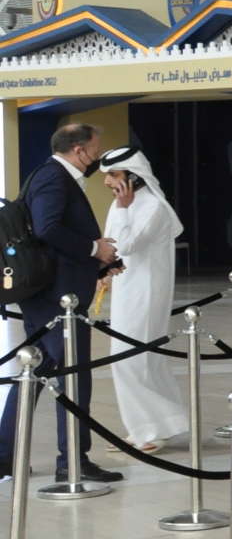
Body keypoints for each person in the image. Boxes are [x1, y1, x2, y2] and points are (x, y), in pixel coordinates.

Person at [0, 124, 122, 484]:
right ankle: (71, 460)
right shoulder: (54, 178)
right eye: (96, 147)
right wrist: (93, 249)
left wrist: (99, 262)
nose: (98, 156)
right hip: (57, 298)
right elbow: (47, 229)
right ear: (78, 148)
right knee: (73, 377)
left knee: (33, 373)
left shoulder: (50, 175)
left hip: (51, 294)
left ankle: (6, 455)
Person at [100, 147, 186, 453]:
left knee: (134, 360)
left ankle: (151, 430)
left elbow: (128, 245)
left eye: (114, 174)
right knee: (132, 360)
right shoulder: (119, 205)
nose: (108, 182)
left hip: (147, 293)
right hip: (126, 291)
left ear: (134, 176)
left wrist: (123, 209)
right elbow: (110, 245)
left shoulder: (153, 207)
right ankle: (147, 427)